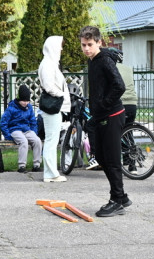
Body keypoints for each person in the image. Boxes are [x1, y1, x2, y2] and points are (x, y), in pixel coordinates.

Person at [79, 26, 128, 217]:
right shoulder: (92, 61)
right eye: (83, 45)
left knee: (112, 158)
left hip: (113, 114)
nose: (86, 49)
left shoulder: (105, 61)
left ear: (99, 42)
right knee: (98, 156)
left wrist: (104, 104)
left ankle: (117, 200)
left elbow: (119, 86)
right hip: (100, 116)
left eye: (90, 45)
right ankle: (121, 196)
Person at [38, 35, 69, 182]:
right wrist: (62, 95)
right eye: (60, 46)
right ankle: (50, 173)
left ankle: (51, 172)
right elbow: (49, 86)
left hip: (55, 106)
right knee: (51, 139)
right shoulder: (48, 64)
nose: (61, 49)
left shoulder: (50, 63)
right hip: (52, 107)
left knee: (52, 139)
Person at [0, 85, 43, 173]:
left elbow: (33, 121)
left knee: (37, 141)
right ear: (19, 99)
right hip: (15, 130)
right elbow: (3, 123)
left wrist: (34, 132)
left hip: (26, 130)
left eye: (27, 101)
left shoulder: (29, 108)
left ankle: (36, 165)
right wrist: (8, 135)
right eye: (23, 101)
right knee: (24, 141)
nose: (25, 103)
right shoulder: (11, 109)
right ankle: (22, 166)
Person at [118, 60, 139, 173]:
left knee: (114, 132)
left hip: (120, 104)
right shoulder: (128, 68)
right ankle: (132, 165)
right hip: (132, 104)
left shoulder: (111, 67)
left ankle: (115, 164)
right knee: (128, 133)